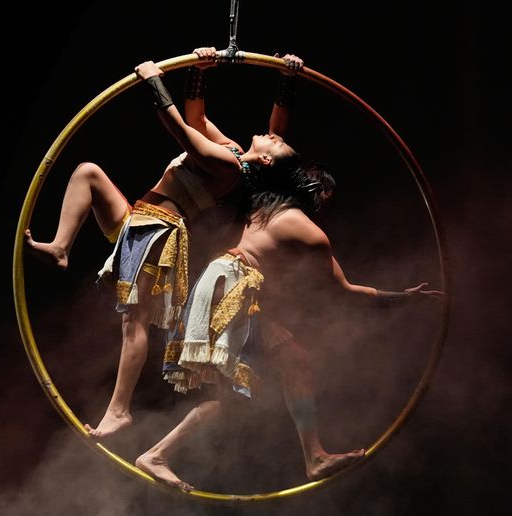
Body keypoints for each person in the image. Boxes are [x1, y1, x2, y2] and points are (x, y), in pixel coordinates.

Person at [25, 48, 307, 439]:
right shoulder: (235, 153)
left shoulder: (231, 168)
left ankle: (120, 409)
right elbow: (197, 118)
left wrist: (153, 82)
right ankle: (61, 248)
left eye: (276, 143)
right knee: (87, 173)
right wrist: (199, 71)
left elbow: (183, 132)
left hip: (160, 229)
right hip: (138, 218)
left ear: (267, 162)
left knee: (133, 320)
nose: (271, 135)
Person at [137, 163, 444, 492]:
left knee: (244, 394)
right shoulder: (307, 230)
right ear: (315, 192)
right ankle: (313, 457)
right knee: (291, 361)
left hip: (224, 284)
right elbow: (346, 292)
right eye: (326, 198)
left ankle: (157, 454)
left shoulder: (261, 208)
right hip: (231, 285)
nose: (327, 207)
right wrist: (403, 298)